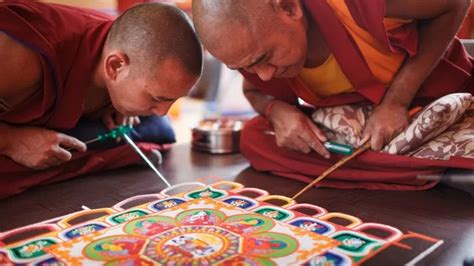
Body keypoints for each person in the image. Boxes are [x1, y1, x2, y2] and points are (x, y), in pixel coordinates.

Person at [192, 0, 474, 190]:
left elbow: (456, 3)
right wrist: (276, 111)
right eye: (243, 67)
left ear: (289, 7)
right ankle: (431, 170)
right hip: (362, 127)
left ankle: (410, 169)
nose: (263, 74)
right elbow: (255, 91)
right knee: (255, 136)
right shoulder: (251, 55)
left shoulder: (349, 4)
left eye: (264, 58)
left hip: (433, 102)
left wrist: (396, 101)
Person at [0, 0, 202, 198]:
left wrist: (120, 102)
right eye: (157, 98)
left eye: (173, 100)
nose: (163, 110)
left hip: (77, 117)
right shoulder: (18, 58)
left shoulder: (122, 47)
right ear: (114, 67)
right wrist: (12, 141)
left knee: (159, 129)